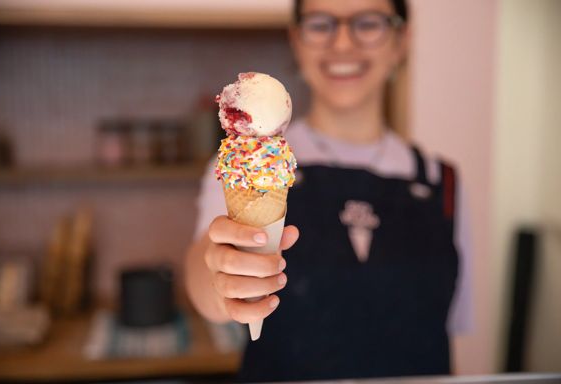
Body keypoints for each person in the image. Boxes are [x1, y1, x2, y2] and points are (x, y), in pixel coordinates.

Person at [185, 0, 473, 381]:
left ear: (400, 40)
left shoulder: (442, 180)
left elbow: (450, 329)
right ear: (296, 39)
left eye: (368, 23)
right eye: (321, 24)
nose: (341, 43)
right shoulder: (246, 166)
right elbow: (203, 273)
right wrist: (222, 283)